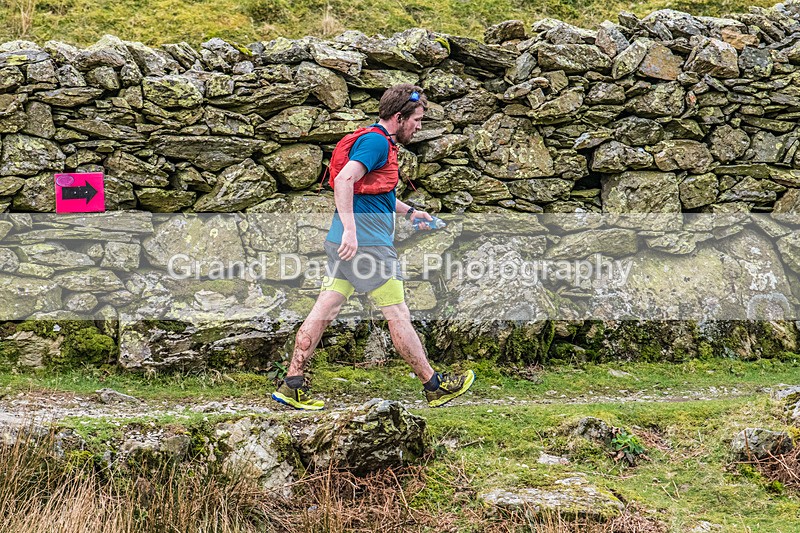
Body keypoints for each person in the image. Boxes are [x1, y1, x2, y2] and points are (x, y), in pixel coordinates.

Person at [272, 84, 475, 410]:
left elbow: (376, 191)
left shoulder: (377, 141)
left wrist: (411, 212)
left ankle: (291, 384)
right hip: (365, 247)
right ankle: (434, 385)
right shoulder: (377, 143)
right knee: (397, 313)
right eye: (417, 120)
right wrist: (352, 231)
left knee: (325, 309)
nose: (419, 127)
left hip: (344, 245)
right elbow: (344, 181)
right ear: (399, 117)